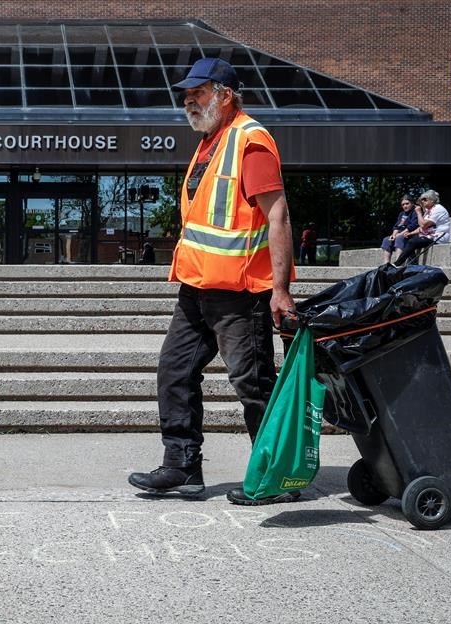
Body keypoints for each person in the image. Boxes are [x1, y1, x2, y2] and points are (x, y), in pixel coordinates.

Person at [127, 57, 298, 506]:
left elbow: (277, 214)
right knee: (175, 371)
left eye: (198, 92)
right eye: (186, 94)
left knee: (253, 384)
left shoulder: (249, 140)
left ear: (225, 94)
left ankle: (275, 477)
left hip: (241, 291)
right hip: (197, 287)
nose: (189, 100)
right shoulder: (208, 144)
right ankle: (183, 466)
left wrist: (280, 290)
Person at [394, 189, 450, 265]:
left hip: (438, 237)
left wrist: (419, 213)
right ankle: (413, 264)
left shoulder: (438, 209)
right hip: (428, 236)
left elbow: (423, 225)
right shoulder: (428, 210)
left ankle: (397, 264)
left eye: (425, 199)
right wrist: (410, 233)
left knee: (412, 242)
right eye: (421, 200)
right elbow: (421, 228)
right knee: (408, 239)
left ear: (432, 200)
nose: (422, 202)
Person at [380, 195, 419, 264]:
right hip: (400, 233)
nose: (405, 206)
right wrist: (393, 235)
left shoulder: (415, 212)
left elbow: (413, 226)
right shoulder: (401, 214)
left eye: (407, 203)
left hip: (410, 234)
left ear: (412, 203)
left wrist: (399, 235)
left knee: (400, 238)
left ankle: (399, 263)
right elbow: (397, 226)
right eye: (403, 204)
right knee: (386, 240)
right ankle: (386, 264)